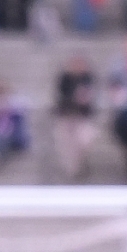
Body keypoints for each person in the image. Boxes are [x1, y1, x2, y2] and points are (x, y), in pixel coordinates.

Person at [52, 52, 97, 180]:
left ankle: (80, 166)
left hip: (82, 117)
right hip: (66, 116)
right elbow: (60, 98)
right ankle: (73, 172)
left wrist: (85, 99)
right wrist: (74, 98)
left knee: (85, 140)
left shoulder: (88, 78)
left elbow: (90, 99)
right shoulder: (64, 79)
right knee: (67, 147)